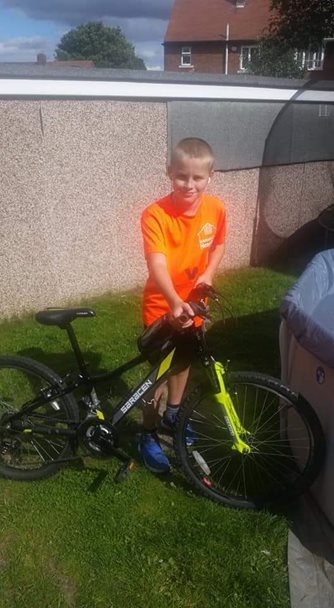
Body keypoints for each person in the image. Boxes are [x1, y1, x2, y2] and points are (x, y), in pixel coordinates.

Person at [138, 137, 227, 473]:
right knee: (155, 378)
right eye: (181, 176)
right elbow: (156, 263)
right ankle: (146, 432)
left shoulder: (216, 208)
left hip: (195, 305)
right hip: (163, 306)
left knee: (184, 360)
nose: (189, 185)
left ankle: (173, 414)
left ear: (210, 175)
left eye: (197, 177)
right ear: (169, 173)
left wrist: (207, 275)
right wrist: (175, 300)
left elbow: (218, 243)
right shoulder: (155, 214)